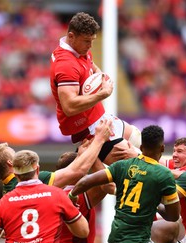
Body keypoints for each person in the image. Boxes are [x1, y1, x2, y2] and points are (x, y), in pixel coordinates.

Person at [69, 125, 181, 243]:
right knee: (172, 226)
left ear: (141, 148)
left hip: (115, 242)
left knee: (169, 229)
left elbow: (85, 181)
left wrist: (71, 196)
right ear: (162, 148)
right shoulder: (164, 174)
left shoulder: (122, 166)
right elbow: (173, 216)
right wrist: (152, 204)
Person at [49, 11, 141, 165]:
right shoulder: (66, 64)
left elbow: (91, 65)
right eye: (87, 41)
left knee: (137, 138)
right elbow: (69, 106)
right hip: (88, 128)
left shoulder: (79, 50)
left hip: (99, 116)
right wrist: (102, 94)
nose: (90, 45)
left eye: (92, 40)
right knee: (134, 162)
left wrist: (102, 76)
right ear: (71, 36)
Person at [0, 150, 89, 243]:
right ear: (38, 169)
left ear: (15, 174)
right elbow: (83, 231)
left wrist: (0, 234)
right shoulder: (57, 195)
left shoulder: (4, 202)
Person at [0, 119, 114, 194]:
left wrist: (81, 155)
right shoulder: (31, 179)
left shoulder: (7, 191)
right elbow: (76, 171)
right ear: (10, 163)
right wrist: (99, 139)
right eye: (14, 154)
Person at [161, 137, 186, 243]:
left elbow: (156, 168)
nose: (174, 155)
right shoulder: (179, 165)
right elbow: (156, 162)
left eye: (180, 151)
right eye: (174, 151)